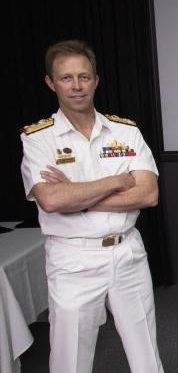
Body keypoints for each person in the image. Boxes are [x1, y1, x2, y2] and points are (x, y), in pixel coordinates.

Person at [20, 40, 163, 373]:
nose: (77, 86)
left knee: (146, 353)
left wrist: (77, 195)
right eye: (66, 78)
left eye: (84, 77)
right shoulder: (38, 138)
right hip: (74, 259)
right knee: (70, 359)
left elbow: (148, 195)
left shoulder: (125, 131)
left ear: (96, 80)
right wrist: (114, 181)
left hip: (127, 252)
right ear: (50, 83)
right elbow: (51, 199)